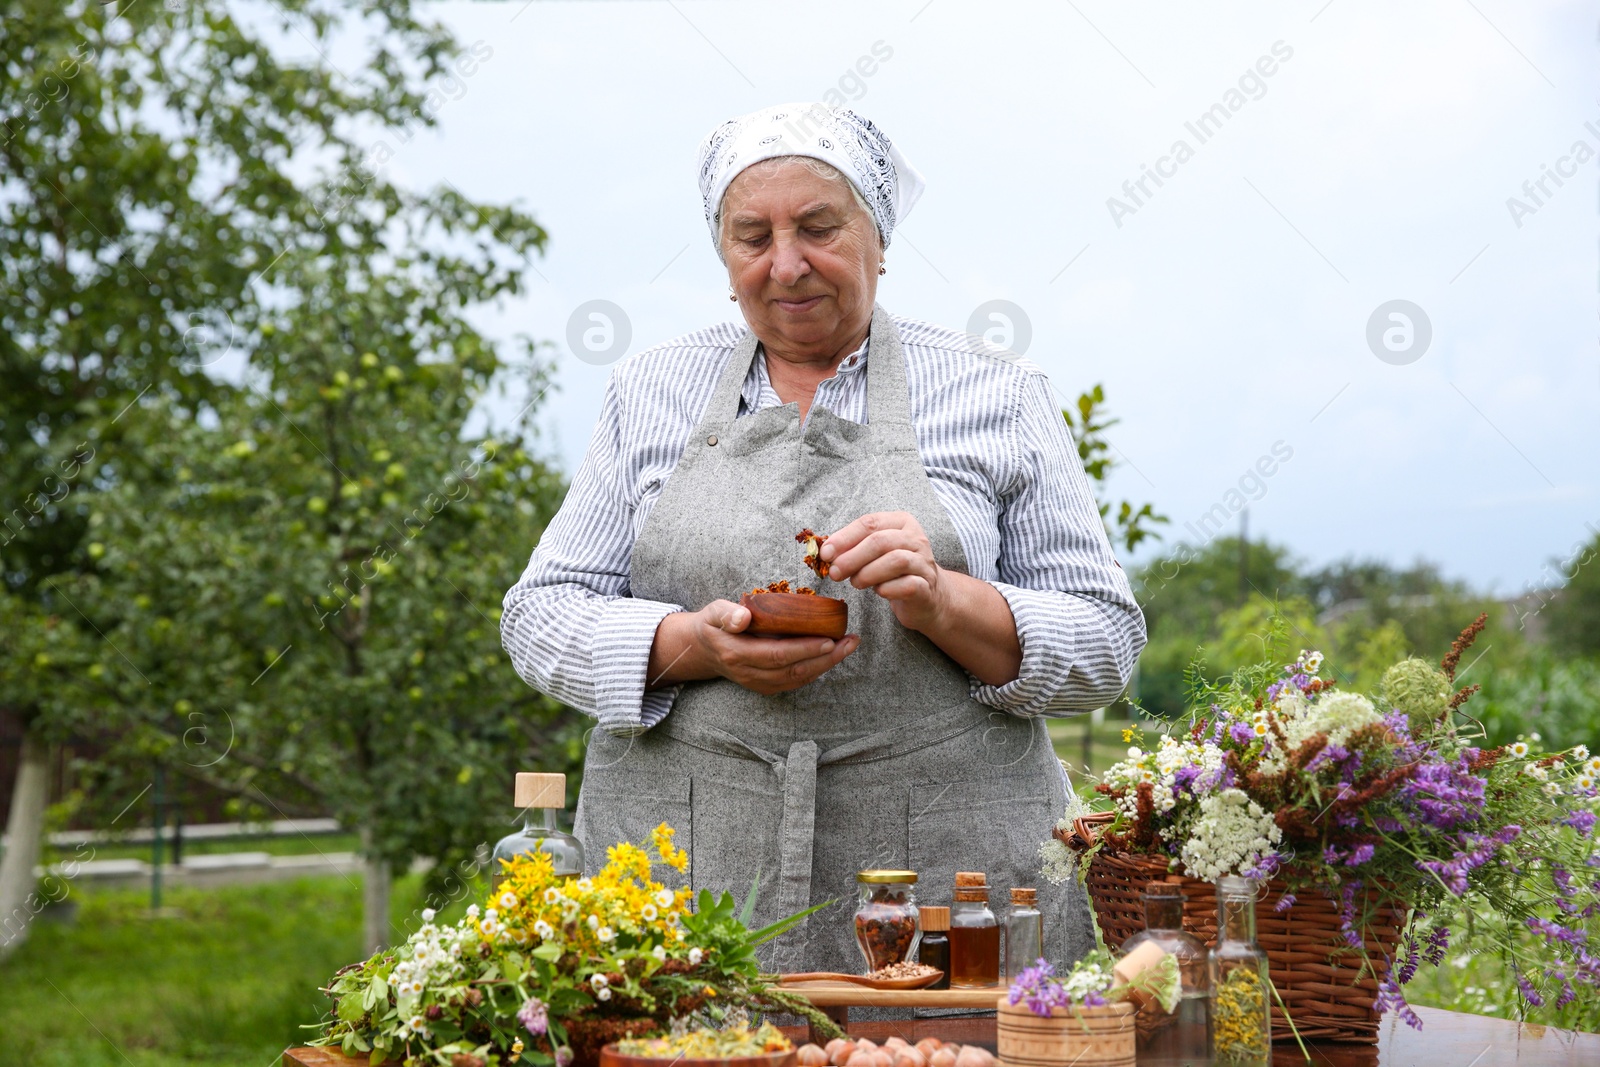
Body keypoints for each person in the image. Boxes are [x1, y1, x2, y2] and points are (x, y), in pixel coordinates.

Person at [502, 102, 1145, 975]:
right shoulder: (647, 390)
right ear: (724, 255)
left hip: (947, 873)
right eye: (752, 235)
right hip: (682, 876)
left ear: (879, 238)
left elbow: (1107, 639)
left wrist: (945, 601)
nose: (787, 263)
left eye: (818, 227)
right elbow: (538, 616)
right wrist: (688, 643)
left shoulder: (998, 391)